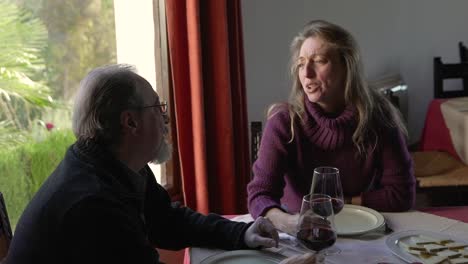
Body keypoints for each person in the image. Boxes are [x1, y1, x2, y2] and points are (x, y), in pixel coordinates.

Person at [5, 64, 317, 264]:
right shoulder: (93, 203)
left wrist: (243, 234)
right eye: (158, 107)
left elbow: (166, 221)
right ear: (130, 122)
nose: (165, 117)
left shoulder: (117, 164)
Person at [247, 20, 416, 234]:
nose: (306, 73)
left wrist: (342, 204)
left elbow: (401, 195)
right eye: (301, 63)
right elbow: (260, 195)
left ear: (347, 67)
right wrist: (288, 222)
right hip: (299, 232)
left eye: (318, 61)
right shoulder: (283, 122)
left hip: (360, 229)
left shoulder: (379, 118)